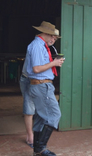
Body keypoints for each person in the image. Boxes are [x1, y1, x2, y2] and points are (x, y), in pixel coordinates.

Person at [24, 21, 64, 156]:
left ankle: (37, 150)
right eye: (53, 36)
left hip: (43, 84)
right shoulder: (37, 46)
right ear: (45, 33)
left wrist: (53, 62)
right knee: (54, 114)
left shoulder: (42, 46)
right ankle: (41, 148)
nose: (54, 39)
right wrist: (53, 63)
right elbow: (36, 69)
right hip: (41, 85)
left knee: (41, 118)